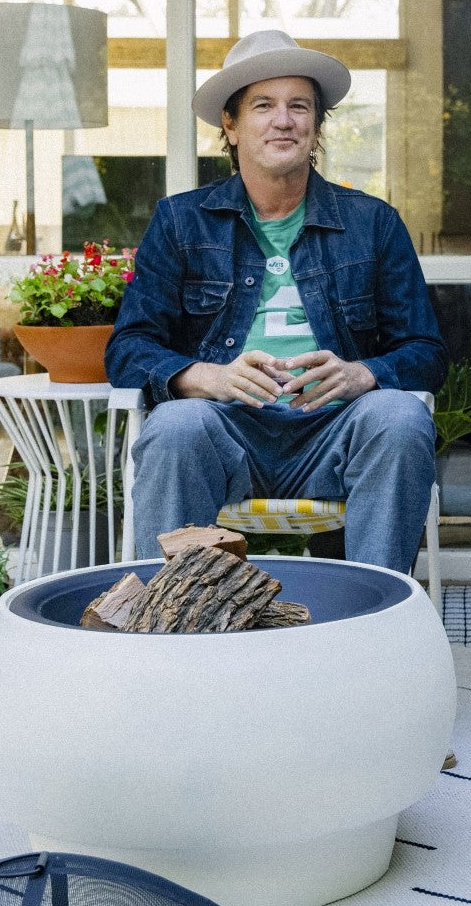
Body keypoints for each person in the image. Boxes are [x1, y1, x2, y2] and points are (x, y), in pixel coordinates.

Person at [106, 28, 448, 571]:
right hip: (225, 429)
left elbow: (426, 352)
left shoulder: (373, 223)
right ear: (231, 124)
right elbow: (128, 349)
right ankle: (173, 611)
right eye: (263, 105)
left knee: (400, 417)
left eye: (299, 106)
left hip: (336, 430)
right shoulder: (180, 221)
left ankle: (376, 608)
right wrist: (210, 378)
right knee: (174, 426)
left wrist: (362, 374)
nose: (283, 120)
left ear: (316, 126)